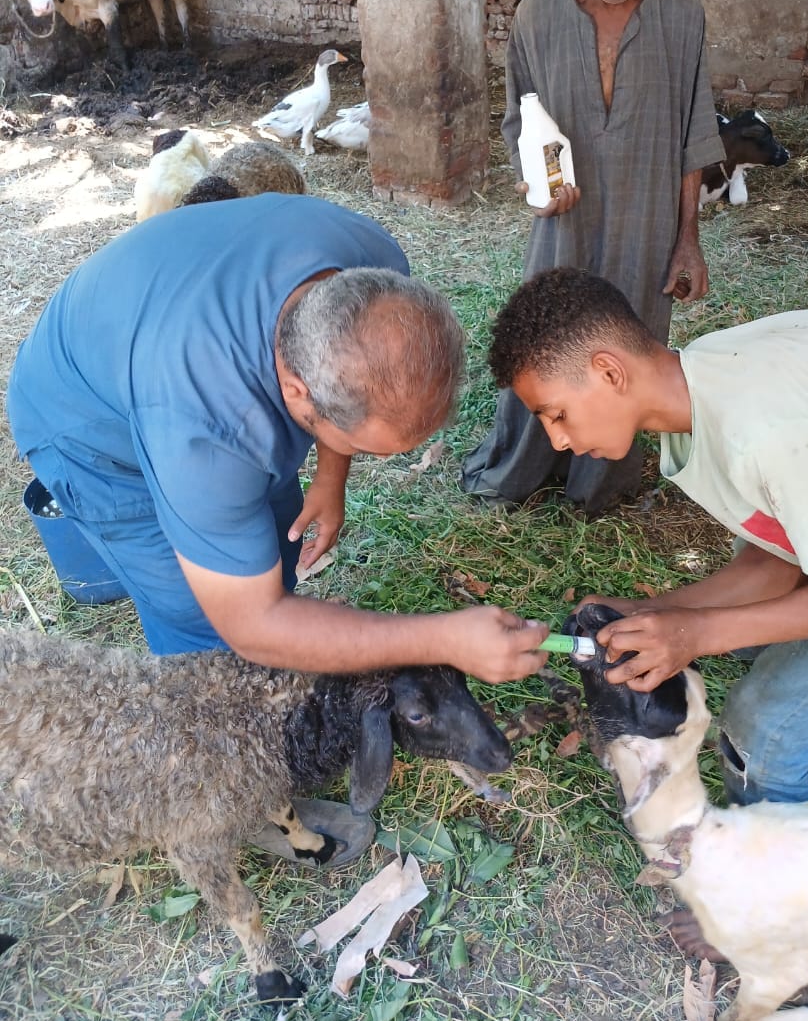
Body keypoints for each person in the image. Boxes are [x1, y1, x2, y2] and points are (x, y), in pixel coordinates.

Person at [7, 193, 549, 684]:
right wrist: (444, 639)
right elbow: (250, 623)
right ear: (296, 391)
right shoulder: (208, 432)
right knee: (203, 628)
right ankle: (215, 759)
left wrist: (331, 474)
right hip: (87, 430)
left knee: (271, 546)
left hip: (161, 327)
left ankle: (279, 671)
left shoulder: (374, 267)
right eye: (364, 448)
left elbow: (356, 370)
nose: (367, 459)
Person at [486, 266, 808, 812]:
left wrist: (699, 632)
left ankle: (768, 886)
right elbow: (775, 563)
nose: (558, 439)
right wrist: (653, 610)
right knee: (756, 621)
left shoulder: (759, 436)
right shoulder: (702, 382)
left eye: (558, 415)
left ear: (609, 372)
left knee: (763, 726)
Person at [461, 0, 725, 513]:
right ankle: (525, 466)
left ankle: (600, 484)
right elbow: (518, 124)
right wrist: (535, 185)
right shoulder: (536, 18)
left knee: (628, 342)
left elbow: (694, 133)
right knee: (545, 339)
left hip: (646, 219)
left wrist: (688, 238)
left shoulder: (683, 15)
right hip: (564, 223)